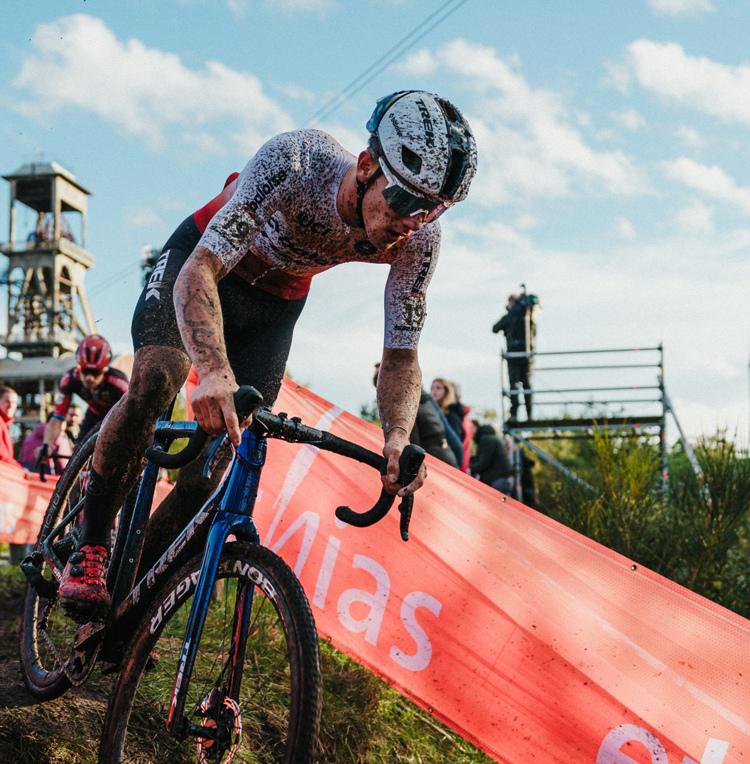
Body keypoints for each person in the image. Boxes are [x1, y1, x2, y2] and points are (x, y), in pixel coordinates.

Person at [58, 90, 478, 622]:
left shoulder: (418, 241)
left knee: (215, 470)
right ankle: (92, 544)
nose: (414, 221)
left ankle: (127, 604)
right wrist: (211, 372)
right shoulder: (297, 162)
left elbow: (400, 357)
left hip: (275, 304)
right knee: (159, 378)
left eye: (434, 209)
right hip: (204, 265)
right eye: (406, 202)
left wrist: (397, 437)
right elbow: (201, 271)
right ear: (368, 166)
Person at [43, 335, 129, 453]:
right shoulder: (69, 379)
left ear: (105, 370)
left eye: (95, 372)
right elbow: (58, 418)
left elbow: (134, 418)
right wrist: (47, 445)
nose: (89, 378)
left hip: (118, 417)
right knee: (78, 451)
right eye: (85, 371)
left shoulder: (120, 384)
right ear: (79, 367)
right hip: (93, 414)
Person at [374, 364, 456, 466]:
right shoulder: (424, 401)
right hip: (444, 457)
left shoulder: (408, 407)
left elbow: (414, 446)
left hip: (437, 461)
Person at [492, 289, 538, 421]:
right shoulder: (529, 315)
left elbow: (495, 328)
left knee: (514, 386)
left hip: (513, 356)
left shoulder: (511, 316)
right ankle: (530, 415)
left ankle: (514, 415)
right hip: (527, 356)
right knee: (527, 386)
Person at [469, 422, 513, 495]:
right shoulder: (492, 439)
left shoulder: (486, 439)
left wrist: (469, 468)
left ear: (476, 427)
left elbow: (483, 463)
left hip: (497, 482)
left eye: (471, 428)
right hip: (502, 481)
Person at [0, 386, 20, 465]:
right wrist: (19, 468)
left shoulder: (4, 424)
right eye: (7, 401)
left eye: (14, 403)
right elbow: (2, 455)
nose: (11, 406)